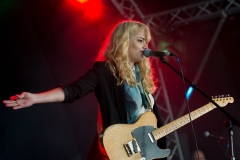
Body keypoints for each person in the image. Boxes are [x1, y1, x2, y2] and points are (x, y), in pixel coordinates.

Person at [3, 20, 166, 160]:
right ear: (124, 41)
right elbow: (73, 90)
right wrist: (35, 98)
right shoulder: (104, 71)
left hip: (144, 151)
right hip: (122, 149)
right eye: (140, 40)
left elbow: (152, 120)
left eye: (146, 41)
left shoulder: (142, 76)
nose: (145, 46)